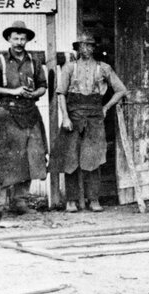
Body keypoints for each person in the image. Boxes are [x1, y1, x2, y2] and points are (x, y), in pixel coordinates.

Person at [52, 31, 128, 212]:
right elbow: (61, 94)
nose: (86, 48)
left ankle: (93, 199)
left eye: (89, 45)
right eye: (82, 45)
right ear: (77, 48)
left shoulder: (104, 68)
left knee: (94, 158)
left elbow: (121, 90)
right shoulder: (69, 68)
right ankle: (71, 200)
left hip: (95, 117)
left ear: (94, 48)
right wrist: (65, 117)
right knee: (70, 159)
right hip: (73, 116)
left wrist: (106, 107)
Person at [0, 20, 48, 220]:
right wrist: (14, 91)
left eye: (22, 38)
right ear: (9, 39)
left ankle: (19, 201)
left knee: (30, 157)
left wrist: (34, 94)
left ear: (27, 40)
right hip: (8, 112)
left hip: (30, 113)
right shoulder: (0, 61)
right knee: (4, 159)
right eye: (15, 38)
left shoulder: (34, 61)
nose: (19, 42)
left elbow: (43, 86)